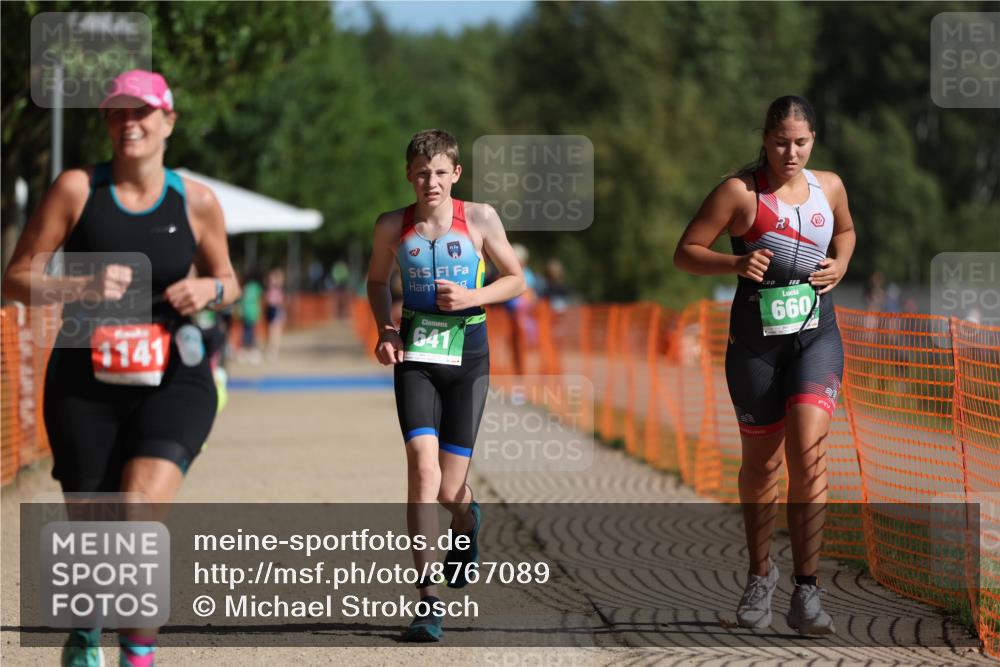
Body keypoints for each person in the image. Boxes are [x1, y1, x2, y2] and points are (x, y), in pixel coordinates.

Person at [2, 70, 240, 666]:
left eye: (142, 112)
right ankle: (86, 630)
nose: (128, 123)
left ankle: (138, 653)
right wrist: (79, 283)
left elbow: (231, 281)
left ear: (168, 120)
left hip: (175, 372)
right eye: (116, 114)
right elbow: (15, 277)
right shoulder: (77, 190)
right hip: (84, 377)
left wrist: (208, 289)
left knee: (137, 510)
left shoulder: (198, 201)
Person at [673, 95, 856, 635]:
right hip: (755, 343)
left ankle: (807, 589)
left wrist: (841, 264)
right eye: (781, 142)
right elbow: (685, 250)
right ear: (765, 138)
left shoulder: (832, 187)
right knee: (761, 468)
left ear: (813, 141)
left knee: (809, 451)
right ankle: (760, 575)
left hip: (816, 335)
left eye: (800, 143)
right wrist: (734, 260)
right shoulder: (740, 192)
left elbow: (844, 231)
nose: (791, 152)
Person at [366, 129, 525, 642]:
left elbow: (516, 278)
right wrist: (385, 328)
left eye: (438, 172)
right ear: (407, 175)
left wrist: (474, 295)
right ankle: (429, 600)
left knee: (448, 488)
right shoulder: (392, 225)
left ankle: (466, 516)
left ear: (455, 173)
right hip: (416, 356)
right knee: (421, 471)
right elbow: (374, 281)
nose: (429, 181)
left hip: (469, 358)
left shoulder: (479, 218)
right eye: (419, 172)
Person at [264, 266, 286, 359]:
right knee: (271, 331)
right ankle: (271, 349)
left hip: (276, 311)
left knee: (275, 332)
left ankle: (274, 350)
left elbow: (279, 303)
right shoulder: (269, 290)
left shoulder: (278, 291)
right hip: (271, 311)